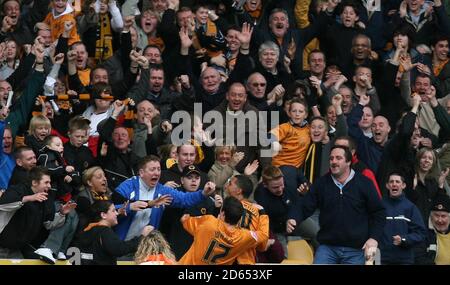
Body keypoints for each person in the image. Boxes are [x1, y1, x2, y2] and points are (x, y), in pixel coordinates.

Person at [288, 146, 386, 264]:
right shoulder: (321, 184)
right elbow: (304, 206)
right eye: (331, 158)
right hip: (327, 248)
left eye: (338, 158)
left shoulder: (364, 183)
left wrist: (374, 238)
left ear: (349, 162)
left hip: (356, 250)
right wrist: (294, 218)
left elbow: (379, 212)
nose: (333, 161)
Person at [113, 155, 216, 241]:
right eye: (152, 169)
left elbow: (184, 199)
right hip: (122, 244)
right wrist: (130, 206)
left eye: (158, 169)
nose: (157, 173)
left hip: (146, 247)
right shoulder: (128, 186)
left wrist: (203, 193)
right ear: (141, 173)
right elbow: (111, 208)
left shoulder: (162, 190)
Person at [0, 167, 73, 260]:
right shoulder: (17, 190)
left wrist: (62, 213)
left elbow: (48, 224)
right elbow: (3, 205)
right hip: (2, 246)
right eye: (46, 182)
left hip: (18, 248)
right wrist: (28, 198)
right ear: (34, 182)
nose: (50, 186)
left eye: (50, 182)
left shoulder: (45, 198)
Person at [179, 196, 268, 265]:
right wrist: (263, 213)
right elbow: (263, 235)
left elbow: (185, 220)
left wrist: (185, 218)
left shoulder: (209, 222)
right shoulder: (243, 237)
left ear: (223, 213)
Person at [159, 164, 221, 260]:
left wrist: (217, 208)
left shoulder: (208, 199)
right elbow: (165, 223)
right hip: (175, 247)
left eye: (197, 178)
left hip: (197, 248)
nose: (193, 180)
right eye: (189, 177)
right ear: (182, 180)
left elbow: (211, 227)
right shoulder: (174, 196)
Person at [78, 200, 154, 265]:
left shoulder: (87, 230)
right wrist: (142, 237)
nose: (116, 213)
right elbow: (120, 249)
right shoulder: (104, 231)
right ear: (103, 215)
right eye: (113, 211)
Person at [379, 172, 427, 265]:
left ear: (403, 185)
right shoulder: (379, 206)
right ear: (387, 185)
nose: (394, 184)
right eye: (391, 182)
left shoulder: (410, 207)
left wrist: (404, 239)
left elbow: (421, 233)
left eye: (397, 181)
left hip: (404, 259)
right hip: (381, 258)